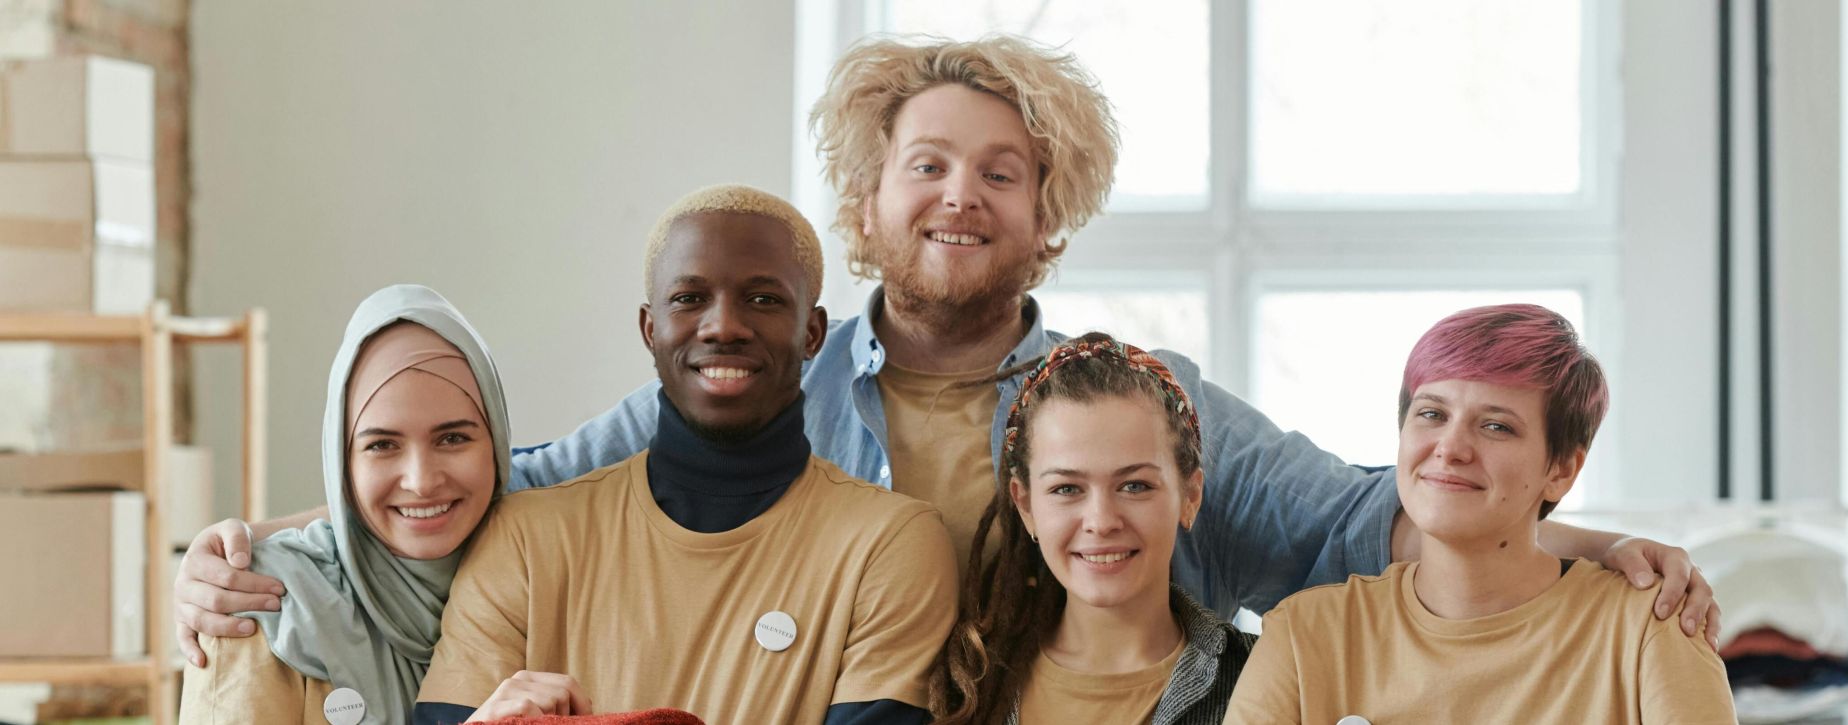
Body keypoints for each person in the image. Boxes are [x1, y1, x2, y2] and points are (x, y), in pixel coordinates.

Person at [172, 34, 1719, 667]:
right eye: (927, 164)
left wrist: (1571, 537)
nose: (959, 195)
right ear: (867, 195)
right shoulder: (761, 390)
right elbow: (500, 496)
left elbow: (1339, 526)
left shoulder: (1135, 400)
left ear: (1050, 214)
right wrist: (258, 553)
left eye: (1000, 170)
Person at [410, 185, 958, 724]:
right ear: (651, 329)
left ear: (812, 333)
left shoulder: (888, 544)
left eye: (763, 299)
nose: (723, 326)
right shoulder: (523, 539)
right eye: (689, 299)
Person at [1223, 304, 1737, 724]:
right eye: (1432, 414)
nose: (1450, 448)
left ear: (1561, 469)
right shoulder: (1302, 636)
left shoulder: (1649, 626)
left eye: (1496, 427)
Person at [178, 284, 511, 724]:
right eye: (382, 445)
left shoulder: (543, 584)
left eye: (453, 438)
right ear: (342, 462)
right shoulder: (262, 602)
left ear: (498, 445)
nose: (421, 481)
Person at [931, 334, 1254, 724]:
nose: (1101, 522)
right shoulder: (964, 689)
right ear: (1026, 505)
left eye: (1135, 486)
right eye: (1066, 489)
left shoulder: (1266, 676)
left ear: (1190, 496)